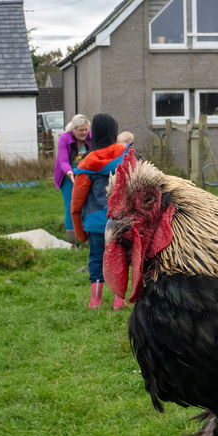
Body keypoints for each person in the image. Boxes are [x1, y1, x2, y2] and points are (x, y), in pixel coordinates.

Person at [71, 114, 132, 310]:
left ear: (93, 133)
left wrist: (79, 231)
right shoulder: (126, 156)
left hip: (96, 223)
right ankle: (118, 300)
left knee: (96, 259)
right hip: (121, 221)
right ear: (114, 132)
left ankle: (95, 301)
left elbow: (77, 203)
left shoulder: (87, 162)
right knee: (119, 258)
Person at [54, 114, 91, 245]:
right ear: (74, 130)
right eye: (81, 130)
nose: (84, 133)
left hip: (85, 174)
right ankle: (72, 241)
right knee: (71, 206)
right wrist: (70, 173)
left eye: (86, 129)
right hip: (67, 175)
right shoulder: (64, 138)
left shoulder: (90, 137)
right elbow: (63, 160)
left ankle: (86, 235)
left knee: (87, 204)